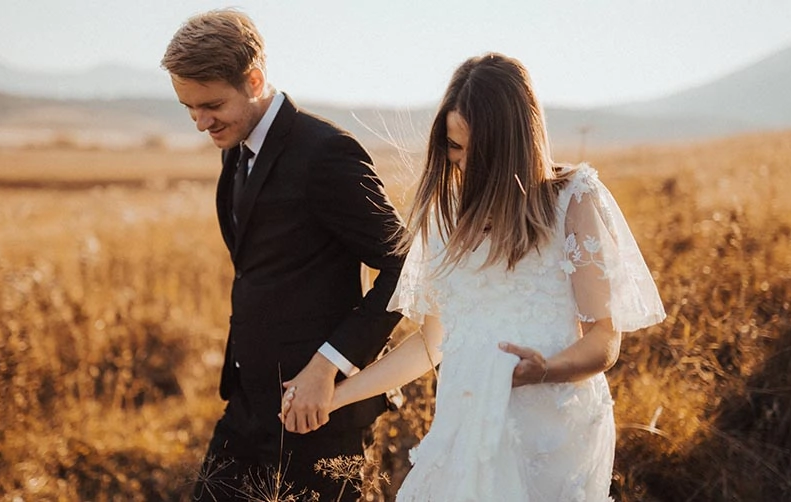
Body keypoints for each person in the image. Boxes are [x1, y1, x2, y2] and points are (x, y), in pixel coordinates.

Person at [283, 53, 666, 500]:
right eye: (453, 146)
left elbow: (604, 340)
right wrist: (335, 396)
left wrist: (545, 371)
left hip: (550, 435)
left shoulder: (573, 201)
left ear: (514, 143)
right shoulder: (442, 215)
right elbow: (432, 343)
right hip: (462, 427)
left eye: (474, 150)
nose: (461, 162)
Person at [160, 9, 406, 502]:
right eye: (188, 108)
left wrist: (327, 365)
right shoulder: (236, 146)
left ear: (253, 80)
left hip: (319, 412)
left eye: (211, 105)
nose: (200, 123)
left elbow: (407, 266)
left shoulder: (326, 153)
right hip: (247, 406)